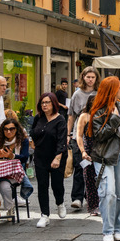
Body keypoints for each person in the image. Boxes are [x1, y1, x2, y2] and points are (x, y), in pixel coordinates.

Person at [88, 76, 120, 241]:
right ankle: (107, 230)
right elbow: (99, 135)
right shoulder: (98, 110)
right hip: (104, 155)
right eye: (118, 88)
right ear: (111, 90)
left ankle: (119, 228)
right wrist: (115, 119)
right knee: (108, 192)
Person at [32, 92, 68, 227]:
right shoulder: (38, 118)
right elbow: (33, 132)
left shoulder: (60, 120)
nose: (45, 105)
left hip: (57, 157)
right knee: (42, 186)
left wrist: (58, 157)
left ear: (54, 104)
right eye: (42, 103)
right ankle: (44, 215)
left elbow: (62, 141)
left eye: (47, 102)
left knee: (57, 185)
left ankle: (60, 202)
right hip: (40, 157)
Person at [67, 66, 99, 210]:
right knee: (80, 166)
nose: (90, 80)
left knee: (94, 169)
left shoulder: (99, 93)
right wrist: (68, 134)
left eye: (93, 77)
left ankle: (91, 195)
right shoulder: (77, 94)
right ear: (83, 78)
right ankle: (77, 197)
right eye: (88, 77)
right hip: (78, 135)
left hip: (96, 136)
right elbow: (71, 116)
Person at [0, 117, 33, 219]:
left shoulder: (23, 141)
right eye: (6, 129)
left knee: (4, 187)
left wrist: (12, 156)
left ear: (16, 130)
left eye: (12, 129)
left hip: (15, 173)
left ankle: (10, 208)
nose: (8, 131)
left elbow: (24, 158)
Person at [75, 93, 100, 216]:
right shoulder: (84, 116)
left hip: (103, 151)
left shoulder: (104, 114)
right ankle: (93, 206)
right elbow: (79, 135)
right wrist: (83, 151)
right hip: (89, 150)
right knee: (90, 179)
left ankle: (102, 204)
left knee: (102, 179)